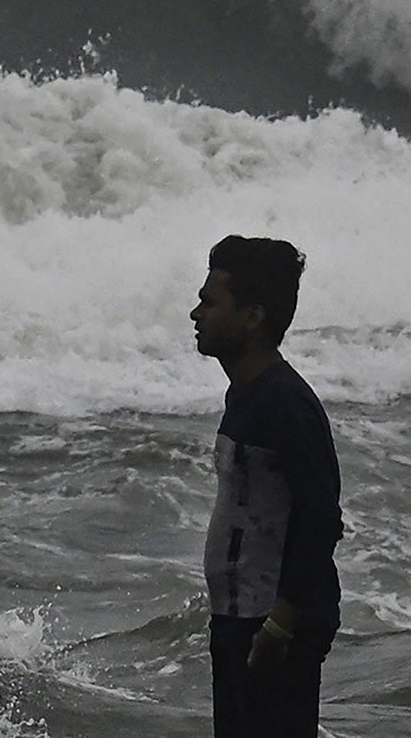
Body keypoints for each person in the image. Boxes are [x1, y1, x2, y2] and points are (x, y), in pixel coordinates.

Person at [189, 235, 343, 738]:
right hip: (242, 621)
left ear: (252, 317)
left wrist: (279, 625)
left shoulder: (286, 404)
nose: (196, 314)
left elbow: (321, 520)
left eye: (210, 303)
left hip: (273, 631)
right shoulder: (248, 394)